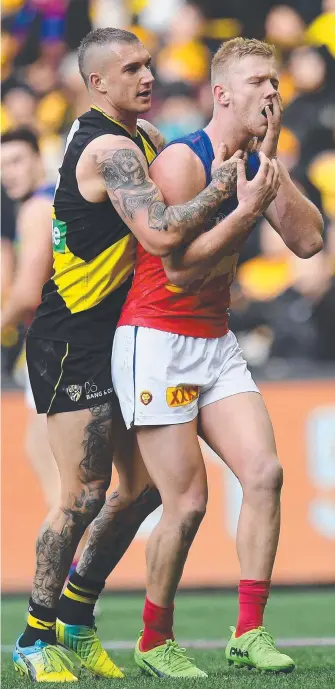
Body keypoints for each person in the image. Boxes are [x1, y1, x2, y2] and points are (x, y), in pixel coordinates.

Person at [61, 37, 323, 679]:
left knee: (264, 474)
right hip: (158, 342)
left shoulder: (262, 161)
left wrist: (269, 171)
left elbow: (311, 240)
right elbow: (176, 270)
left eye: (276, 81)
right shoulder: (184, 161)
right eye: (259, 81)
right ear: (223, 93)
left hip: (214, 340)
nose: (272, 92)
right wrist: (244, 212)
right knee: (185, 502)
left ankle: (250, 634)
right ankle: (154, 640)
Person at [12, 27, 242, 683]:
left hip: (118, 334)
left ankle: (78, 617)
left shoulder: (140, 139)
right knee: (81, 494)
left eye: (149, 64)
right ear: (97, 84)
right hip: (70, 340)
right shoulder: (109, 147)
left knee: (141, 491)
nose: (148, 76)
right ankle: (34, 635)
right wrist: (225, 188)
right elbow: (159, 229)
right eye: (132, 68)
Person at [1, 128, 61, 510]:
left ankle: (70, 566)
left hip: (55, 343)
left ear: (40, 158)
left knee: (52, 465)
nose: (8, 173)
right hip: (62, 341)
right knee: (42, 452)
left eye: (17, 160)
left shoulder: (37, 208)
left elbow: (27, 293)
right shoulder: (55, 200)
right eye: (2, 167)